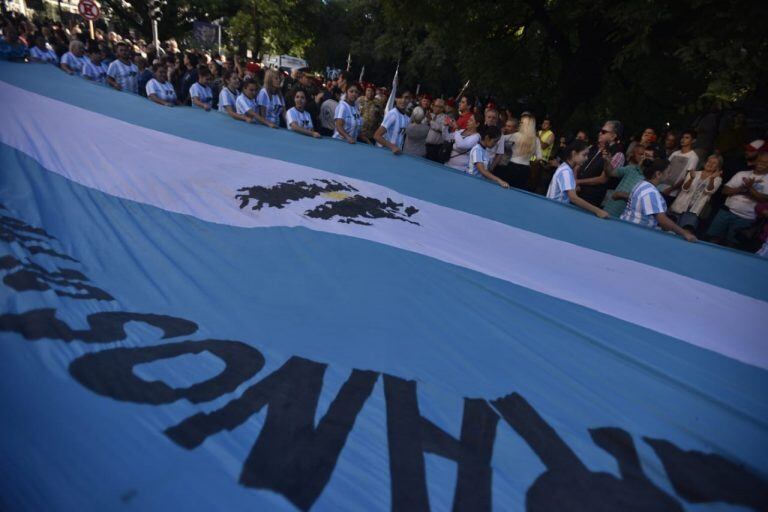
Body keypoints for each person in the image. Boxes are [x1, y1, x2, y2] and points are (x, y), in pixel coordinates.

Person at [620, 159, 697, 242]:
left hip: (628, 226)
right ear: (658, 174)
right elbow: (662, 220)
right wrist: (684, 233)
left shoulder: (641, 184)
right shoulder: (651, 192)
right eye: (668, 172)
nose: (669, 175)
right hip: (636, 232)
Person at [706, 152, 768, 246]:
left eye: (765, 162)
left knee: (732, 245)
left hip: (746, 218)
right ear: (755, 161)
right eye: (759, 161)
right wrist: (743, 189)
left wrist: (750, 188)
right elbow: (725, 190)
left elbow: (764, 200)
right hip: (727, 211)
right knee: (712, 239)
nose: (761, 163)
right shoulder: (742, 173)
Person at [546, 140, 610, 219]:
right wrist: (598, 211)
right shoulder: (566, 171)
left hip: (554, 209)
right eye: (584, 155)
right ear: (574, 153)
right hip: (554, 211)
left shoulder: (566, 168)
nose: (586, 158)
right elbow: (573, 198)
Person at [575, 120, 626, 206]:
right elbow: (577, 165)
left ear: (613, 136)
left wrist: (578, 182)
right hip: (575, 192)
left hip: (590, 201)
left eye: (604, 132)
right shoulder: (593, 148)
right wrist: (575, 182)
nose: (600, 133)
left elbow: (603, 179)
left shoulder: (618, 154)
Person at [669, 154, 724, 231]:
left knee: (685, 232)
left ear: (717, 167)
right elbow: (684, 188)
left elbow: (708, 191)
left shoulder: (717, 179)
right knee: (670, 229)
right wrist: (691, 178)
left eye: (714, 163)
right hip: (680, 205)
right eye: (709, 161)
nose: (710, 164)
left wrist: (712, 179)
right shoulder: (694, 173)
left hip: (695, 210)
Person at [493, 112, 541, 189]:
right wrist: (531, 160)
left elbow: (500, 139)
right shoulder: (536, 140)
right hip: (526, 169)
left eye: (521, 122)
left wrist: (501, 151)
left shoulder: (515, 136)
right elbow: (538, 158)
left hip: (512, 166)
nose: (520, 124)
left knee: (506, 189)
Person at [603, 144, 652, 218]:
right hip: (609, 209)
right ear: (634, 155)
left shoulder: (650, 178)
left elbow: (644, 199)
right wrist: (607, 161)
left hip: (625, 216)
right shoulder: (631, 168)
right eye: (641, 154)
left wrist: (622, 195)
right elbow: (610, 173)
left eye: (646, 155)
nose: (643, 157)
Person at [658, 129, 699, 200]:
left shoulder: (693, 157)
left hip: (671, 192)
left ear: (693, 141)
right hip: (660, 185)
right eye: (682, 137)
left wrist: (671, 189)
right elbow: (665, 168)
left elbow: (687, 177)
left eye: (687, 138)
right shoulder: (675, 153)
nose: (683, 140)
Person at [374, 89, 412, 155]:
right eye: (400, 97)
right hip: (385, 153)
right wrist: (392, 147)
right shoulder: (392, 114)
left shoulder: (407, 118)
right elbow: (377, 136)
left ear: (409, 100)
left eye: (406, 98)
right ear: (396, 98)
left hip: (397, 154)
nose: (403, 100)